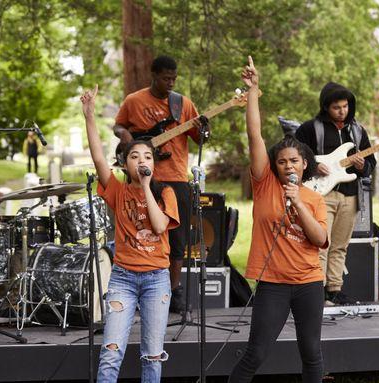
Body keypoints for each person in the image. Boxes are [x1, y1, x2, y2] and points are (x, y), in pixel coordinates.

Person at [228, 57, 328, 383]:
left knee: (312, 354)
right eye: (282, 161)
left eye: (294, 161)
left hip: (309, 284)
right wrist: (253, 90)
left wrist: (298, 203)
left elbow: (319, 239)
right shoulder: (264, 184)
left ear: (304, 164)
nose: (288, 166)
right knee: (255, 353)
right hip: (272, 285)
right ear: (275, 165)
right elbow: (254, 134)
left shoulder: (313, 198)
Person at [81, 85, 180, 383]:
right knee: (111, 352)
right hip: (123, 278)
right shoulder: (116, 190)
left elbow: (161, 227)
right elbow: (98, 158)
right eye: (134, 157)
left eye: (147, 157)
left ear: (154, 163)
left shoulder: (165, 192)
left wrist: (147, 188)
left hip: (156, 279)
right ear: (125, 164)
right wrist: (89, 116)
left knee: (152, 355)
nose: (141, 161)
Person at [112, 55, 205, 298]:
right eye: (166, 78)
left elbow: (200, 138)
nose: (171, 83)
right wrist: (125, 136)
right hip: (140, 179)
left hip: (175, 178)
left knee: (177, 238)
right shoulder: (134, 101)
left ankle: (173, 290)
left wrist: (204, 130)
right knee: (137, 230)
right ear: (153, 76)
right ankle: (133, 285)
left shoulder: (183, 104)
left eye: (174, 78)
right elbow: (118, 126)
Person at [294, 82, 376, 305]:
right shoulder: (311, 128)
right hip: (321, 195)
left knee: (340, 245)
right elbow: (293, 151)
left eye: (346, 106)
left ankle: (334, 289)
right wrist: (312, 165)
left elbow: (371, 164)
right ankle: (316, 289)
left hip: (349, 195)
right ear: (325, 107)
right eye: (336, 107)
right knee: (321, 244)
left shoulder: (358, 131)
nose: (342, 111)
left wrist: (361, 167)